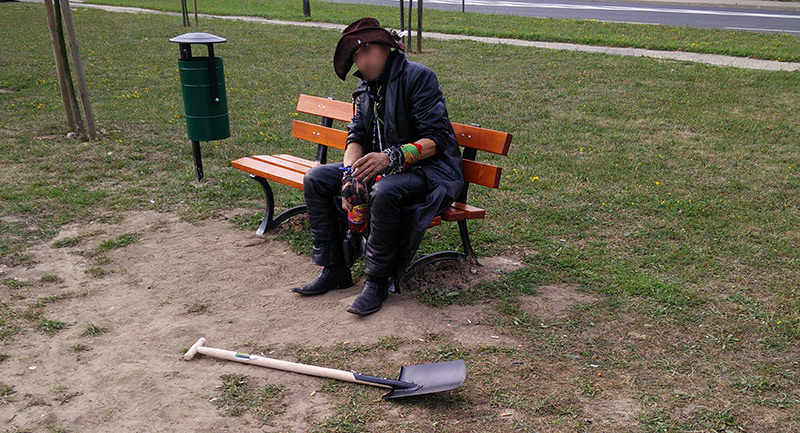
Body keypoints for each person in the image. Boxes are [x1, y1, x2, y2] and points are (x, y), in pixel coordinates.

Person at [290, 17, 463, 316]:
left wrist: (391, 156)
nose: (363, 60)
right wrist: (350, 176)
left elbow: (436, 140)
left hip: (432, 172)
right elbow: (355, 136)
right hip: (387, 169)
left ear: (385, 48)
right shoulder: (366, 86)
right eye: (357, 55)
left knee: (383, 191)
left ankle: (377, 282)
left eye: (367, 51)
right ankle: (335, 269)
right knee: (316, 178)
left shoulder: (418, 77)